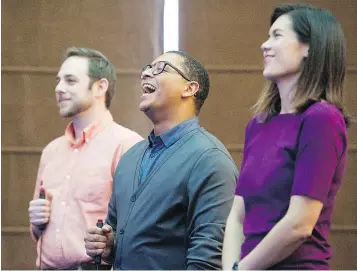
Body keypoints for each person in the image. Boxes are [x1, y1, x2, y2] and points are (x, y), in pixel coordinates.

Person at [222, 4, 350, 270]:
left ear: (309, 48)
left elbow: (299, 224)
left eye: (277, 36)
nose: (264, 45)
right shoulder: (258, 124)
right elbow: (237, 216)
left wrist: (242, 269)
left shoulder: (321, 119)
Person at [84, 50, 238, 270]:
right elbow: (117, 231)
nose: (146, 74)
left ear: (190, 88)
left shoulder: (210, 159)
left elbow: (208, 259)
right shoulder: (130, 158)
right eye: (147, 68)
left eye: (160, 69)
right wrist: (109, 246)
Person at [28, 47, 143, 270]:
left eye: (70, 81)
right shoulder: (51, 151)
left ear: (100, 86)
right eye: (58, 81)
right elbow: (38, 233)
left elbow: (138, 229)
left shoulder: (127, 145)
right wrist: (35, 222)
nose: (59, 88)